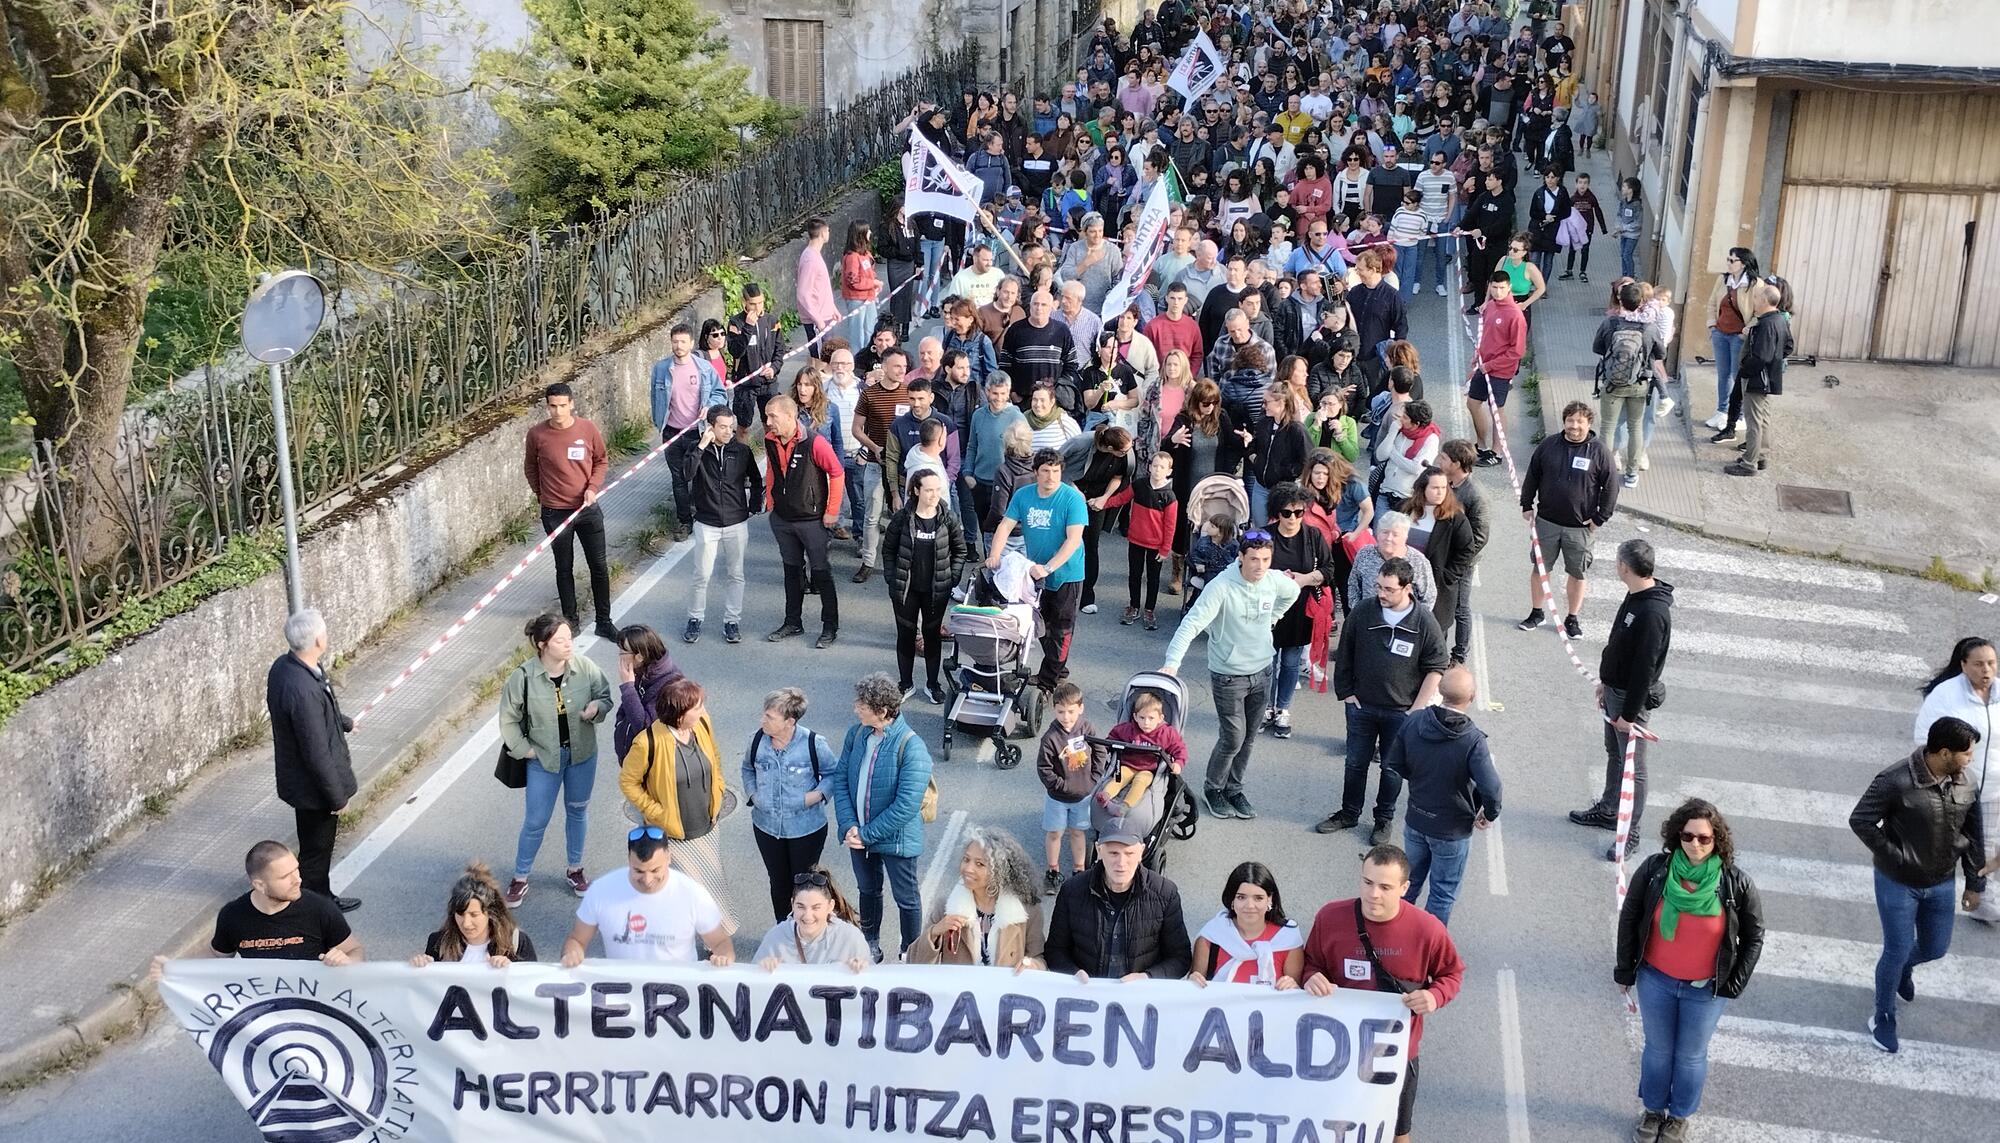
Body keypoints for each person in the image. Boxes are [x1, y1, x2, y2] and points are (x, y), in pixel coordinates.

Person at [1616, 799, 1765, 1143]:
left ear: (1717, 841)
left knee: (1689, 1056)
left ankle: (1679, 1117)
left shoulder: (1734, 883)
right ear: (1676, 836)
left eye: (1704, 838)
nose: (1695, 844)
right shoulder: (1656, 870)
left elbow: (1754, 935)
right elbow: (1631, 917)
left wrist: (1734, 983)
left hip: (1705, 990)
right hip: (1657, 980)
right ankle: (1653, 1111)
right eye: (1687, 836)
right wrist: (1624, 970)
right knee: (1657, 1049)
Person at [1302, 846, 1464, 1143]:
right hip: (1337, 1051)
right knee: (1332, 1124)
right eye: (1367, 882)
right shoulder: (1330, 917)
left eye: (1385, 887)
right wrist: (1312, 978)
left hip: (1397, 1054)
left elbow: (1452, 974)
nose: (1373, 894)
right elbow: (1310, 962)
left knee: (1396, 1133)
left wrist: (1434, 996)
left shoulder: (1428, 930)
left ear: (1405, 888)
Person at [1851, 716, 1988, 1053]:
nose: (1971, 759)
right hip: (1897, 882)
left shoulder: (1967, 782)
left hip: (1941, 882)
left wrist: (1974, 884)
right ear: (1944, 752)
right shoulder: (1894, 780)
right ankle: (1883, 1014)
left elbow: (1974, 834)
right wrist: (1896, 856)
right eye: (1966, 753)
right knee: (1895, 949)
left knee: (1935, 947)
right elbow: (1861, 820)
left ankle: (1904, 969)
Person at [1161, 530, 1301, 820]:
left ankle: (1234, 789)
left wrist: (1273, 618)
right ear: (1240, 557)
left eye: (1265, 559)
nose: (1260, 566)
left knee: (1249, 737)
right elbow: (1191, 624)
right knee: (1233, 737)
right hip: (1229, 675)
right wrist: (1172, 663)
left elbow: (1293, 592)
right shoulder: (1221, 586)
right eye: (1253, 559)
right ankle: (1214, 789)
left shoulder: (1273, 580)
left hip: (1263, 671)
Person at [1324, 558, 1450, 844]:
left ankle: (1383, 819)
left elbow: (1437, 667)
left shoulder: (1424, 622)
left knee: (1391, 769)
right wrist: (1347, 693)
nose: (1381, 593)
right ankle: (1348, 813)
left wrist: (1415, 710)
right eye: (1378, 586)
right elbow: (1345, 653)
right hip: (1362, 708)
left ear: (1407, 588)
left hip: (1400, 713)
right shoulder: (1364, 612)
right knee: (1355, 763)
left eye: (1389, 589)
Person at [1571, 539, 1676, 859]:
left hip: (1630, 700)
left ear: (1625, 567)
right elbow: (1620, 645)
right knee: (1614, 754)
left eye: (1618, 561)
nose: (1616, 565)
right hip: (1615, 692)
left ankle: (1630, 835)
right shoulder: (1635, 595)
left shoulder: (1652, 611)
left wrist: (1629, 716)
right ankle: (1609, 810)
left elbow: (1645, 668)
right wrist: (1605, 682)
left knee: (1634, 768)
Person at [501, 613, 612, 907]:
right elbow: (509, 720)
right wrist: (524, 749)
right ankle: (520, 876)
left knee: (577, 811)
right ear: (542, 645)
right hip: (543, 760)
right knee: (536, 820)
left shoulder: (585, 667)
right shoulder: (522, 677)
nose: (568, 645)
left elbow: (605, 696)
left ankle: (575, 869)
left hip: (582, 755)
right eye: (560, 640)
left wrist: (596, 708)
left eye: (569, 639)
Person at [829, 673, 934, 961]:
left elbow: (905, 806)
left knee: (907, 899)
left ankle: (910, 953)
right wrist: (849, 825)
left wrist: (865, 834)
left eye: (861, 705)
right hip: (859, 835)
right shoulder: (856, 734)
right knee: (868, 891)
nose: (855, 708)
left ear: (883, 711)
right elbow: (842, 779)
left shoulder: (913, 748)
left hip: (895, 840)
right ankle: (870, 945)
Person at [1385, 667, 1500, 926]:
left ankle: (1394, 936)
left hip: (1416, 819)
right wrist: (1488, 813)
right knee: (1442, 894)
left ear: (1439, 691)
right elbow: (1491, 788)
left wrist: (1419, 781)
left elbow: (1395, 762)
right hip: (1452, 829)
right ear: (1472, 697)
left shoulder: (1414, 721)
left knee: (1407, 886)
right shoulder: (1472, 740)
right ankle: (1428, 948)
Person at [620, 676, 735, 930]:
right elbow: (628, 782)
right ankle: (672, 939)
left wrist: (718, 787)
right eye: (697, 707)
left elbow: (714, 756)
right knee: (683, 892)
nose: (703, 710)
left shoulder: (702, 723)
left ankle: (713, 939)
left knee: (712, 886)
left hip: (707, 825)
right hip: (673, 833)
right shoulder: (647, 742)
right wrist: (656, 812)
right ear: (681, 714)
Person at [267, 608, 360, 912]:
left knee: (313, 847)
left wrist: (344, 722)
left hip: (300, 781)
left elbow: (318, 709)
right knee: (317, 850)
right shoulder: (302, 688)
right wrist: (337, 797)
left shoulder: (287, 667)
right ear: (318, 640)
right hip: (312, 788)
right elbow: (316, 751)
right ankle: (316, 905)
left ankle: (317, 896)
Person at [155, 841, 361, 977]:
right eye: (284, 877)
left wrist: (346, 962)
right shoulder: (233, 915)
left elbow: (355, 950)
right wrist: (174, 968)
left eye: (296, 870)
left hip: (314, 1007)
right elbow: (217, 954)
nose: (297, 880)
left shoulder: (320, 908)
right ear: (260, 885)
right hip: (265, 1015)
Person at [987, 447, 1089, 695]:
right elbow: (1005, 526)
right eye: (1045, 471)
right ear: (1036, 472)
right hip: (1034, 574)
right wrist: (994, 555)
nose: (1051, 477)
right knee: (1039, 626)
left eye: (1056, 471)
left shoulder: (1072, 499)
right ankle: (1058, 667)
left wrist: (1050, 567)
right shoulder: (1023, 496)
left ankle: (1047, 682)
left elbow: (1073, 539)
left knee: (1062, 630)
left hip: (1067, 574)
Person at [1517, 401, 1618, 638]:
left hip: (1580, 527)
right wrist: (1526, 504)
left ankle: (1572, 618)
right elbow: (1533, 474)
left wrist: (1599, 518)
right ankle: (1537, 613)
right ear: (1564, 422)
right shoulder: (1549, 445)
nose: (1574, 426)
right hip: (1547, 522)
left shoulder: (1599, 451)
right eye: (1570, 420)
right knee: (1540, 569)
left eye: (1579, 421)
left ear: (1588, 423)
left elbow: (1611, 488)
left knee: (1577, 573)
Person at [1915, 637, 1999, 922]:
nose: (1986, 670)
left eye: (1991, 663)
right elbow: (1924, 739)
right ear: (1963, 666)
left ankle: (1981, 898)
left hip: (1994, 788)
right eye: (1978, 664)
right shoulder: (1946, 696)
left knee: (1987, 844)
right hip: (1957, 789)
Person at [1042, 821, 1193, 980]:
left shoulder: (1165, 894)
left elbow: (1180, 958)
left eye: (1129, 854)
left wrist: (1147, 977)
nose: (1121, 863)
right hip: (1087, 994)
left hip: (1139, 998)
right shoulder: (1072, 891)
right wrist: (1073, 973)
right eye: (1114, 853)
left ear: (1141, 852)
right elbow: (1055, 951)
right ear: (1099, 851)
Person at [560, 828, 733, 965]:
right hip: (624, 995)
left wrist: (723, 958)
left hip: (677, 995)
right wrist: (572, 953)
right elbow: (576, 939)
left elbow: (720, 943)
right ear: (629, 859)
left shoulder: (693, 894)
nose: (648, 879)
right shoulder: (601, 891)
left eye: (655, 870)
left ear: (669, 858)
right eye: (639, 871)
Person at [523, 382, 614, 639]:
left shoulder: (587, 428)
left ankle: (604, 620)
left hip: (587, 508)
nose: (558, 412)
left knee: (599, 565)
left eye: (563, 406)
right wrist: (542, 495)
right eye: (553, 406)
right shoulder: (537, 435)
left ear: (572, 404)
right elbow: (530, 467)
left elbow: (601, 460)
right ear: (547, 406)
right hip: (555, 512)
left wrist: (592, 487)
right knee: (564, 568)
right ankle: (570, 621)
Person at [742, 687, 836, 922]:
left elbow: (834, 774)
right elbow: (747, 769)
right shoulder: (757, 740)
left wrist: (810, 798)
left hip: (806, 830)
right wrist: (754, 795)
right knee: (778, 883)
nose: (762, 719)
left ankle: (807, 930)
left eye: (769, 717)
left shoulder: (813, 743)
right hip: (767, 828)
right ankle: (783, 931)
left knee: (804, 886)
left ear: (789, 721)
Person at [762, 394, 846, 649]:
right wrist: (770, 501)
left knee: (821, 573)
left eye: (772, 416)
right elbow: (771, 469)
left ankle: (829, 627)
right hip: (783, 519)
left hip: (813, 521)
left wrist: (832, 512)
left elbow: (837, 472)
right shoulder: (770, 440)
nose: (767, 422)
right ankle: (793, 622)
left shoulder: (815, 442)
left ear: (790, 416)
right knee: (791, 572)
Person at [884, 469, 971, 703]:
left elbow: (960, 551)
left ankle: (933, 685)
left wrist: (952, 578)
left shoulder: (948, 518)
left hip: (936, 591)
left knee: (932, 636)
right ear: (916, 490)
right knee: (906, 635)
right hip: (906, 590)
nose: (934, 495)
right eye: (929, 490)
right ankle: (906, 684)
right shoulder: (902, 518)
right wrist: (892, 578)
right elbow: (889, 549)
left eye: (937, 489)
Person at [908, 827, 1048, 970]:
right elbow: (914, 961)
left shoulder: (1028, 911)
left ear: (1000, 872)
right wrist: (935, 931)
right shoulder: (946, 906)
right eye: (966, 859)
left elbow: (1039, 958)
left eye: (979, 864)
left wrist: (1032, 965)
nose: (968, 868)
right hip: (960, 991)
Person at [679, 404, 759, 644]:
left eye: (731, 427)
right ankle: (695, 618)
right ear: (709, 428)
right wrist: (702, 446)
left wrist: (754, 506)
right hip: (707, 522)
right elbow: (686, 474)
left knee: (736, 574)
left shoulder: (742, 451)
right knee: (701, 574)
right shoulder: (696, 449)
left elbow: (755, 479)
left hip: (736, 522)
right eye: (722, 427)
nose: (728, 432)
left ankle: (732, 621)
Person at [1262, 481, 1334, 741]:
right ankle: (1265, 709)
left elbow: (1328, 570)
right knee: (1267, 662)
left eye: (1299, 512)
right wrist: (1275, 577)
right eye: (1286, 512)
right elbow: (1245, 567)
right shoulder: (1263, 535)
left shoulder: (1313, 537)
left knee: (1291, 662)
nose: (1293, 518)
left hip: (1298, 610)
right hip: (1268, 609)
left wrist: (1304, 579)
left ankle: (1283, 708)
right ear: (1276, 512)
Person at [651, 324, 727, 541]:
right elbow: (655, 397)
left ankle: (704, 513)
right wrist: (660, 424)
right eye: (675, 341)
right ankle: (685, 521)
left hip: (697, 432)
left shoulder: (703, 368)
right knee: (679, 478)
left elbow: (720, 393)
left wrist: (709, 406)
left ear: (692, 343)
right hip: (672, 433)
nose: (678, 346)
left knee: (701, 475)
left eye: (683, 341)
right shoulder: (661, 368)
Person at [1035, 683, 1111, 894]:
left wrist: (1094, 778)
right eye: (1061, 712)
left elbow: (1100, 751)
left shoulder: (1087, 729)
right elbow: (1044, 769)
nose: (1066, 717)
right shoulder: (1050, 738)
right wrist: (1062, 786)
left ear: (1080, 708)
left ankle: (1079, 870)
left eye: (1071, 711)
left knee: (1078, 833)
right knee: (1054, 833)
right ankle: (1053, 871)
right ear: (1054, 710)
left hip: (1083, 796)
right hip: (1058, 798)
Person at [1594, 281, 1668, 489]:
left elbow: (1597, 347)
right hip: (1639, 383)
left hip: (1612, 383)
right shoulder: (1649, 327)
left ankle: (1602, 474)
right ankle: (1631, 474)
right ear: (1642, 302)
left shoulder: (1611, 323)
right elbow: (1661, 354)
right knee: (1636, 427)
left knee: (1607, 427)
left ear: (1621, 300)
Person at [1187, 862, 1304, 987]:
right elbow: (1195, 990)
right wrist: (1192, 982)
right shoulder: (1211, 936)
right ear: (1232, 899)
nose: (1249, 906)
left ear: (1270, 899)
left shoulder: (1288, 938)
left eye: (1258, 898)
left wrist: (1294, 987)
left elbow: (1296, 993)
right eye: (1241, 897)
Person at [1723, 282, 1793, 478]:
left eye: (1756, 298)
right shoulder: (1779, 320)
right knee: (1763, 419)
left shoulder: (1765, 324)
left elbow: (1761, 356)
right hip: (1769, 378)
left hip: (1757, 379)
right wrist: (1775, 362)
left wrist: (1745, 369)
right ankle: (1760, 455)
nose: (1753, 301)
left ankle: (1749, 464)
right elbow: (1788, 346)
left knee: (1754, 422)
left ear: (1763, 301)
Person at [410, 862, 537, 966]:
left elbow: (531, 986)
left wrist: (512, 970)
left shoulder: (516, 942)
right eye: (460, 914)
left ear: (491, 912)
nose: (466, 923)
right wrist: (420, 967)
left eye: (474, 914)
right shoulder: (438, 943)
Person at [1401, 467, 1476, 642]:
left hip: (1437, 588)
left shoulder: (1455, 518)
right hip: (1405, 584)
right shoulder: (1405, 510)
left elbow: (1466, 549)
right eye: (1435, 488)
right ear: (1422, 489)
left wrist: (1447, 575)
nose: (1440, 492)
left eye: (1444, 487)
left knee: (1433, 637)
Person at [753, 866, 872, 970]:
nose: (808, 915)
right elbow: (752, 983)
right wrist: (762, 969)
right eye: (801, 907)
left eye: (816, 908)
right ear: (792, 905)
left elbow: (874, 981)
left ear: (830, 906)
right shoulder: (776, 938)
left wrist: (862, 969)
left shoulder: (850, 938)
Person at [1437, 442, 1492, 666]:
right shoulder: (1447, 483)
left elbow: (1480, 536)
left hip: (1462, 563)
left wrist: (1459, 563)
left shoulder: (1475, 494)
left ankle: (1459, 656)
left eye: (1443, 458)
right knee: (1441, 604)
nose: (1438, 461)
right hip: (1443, 555)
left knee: (1459, 608)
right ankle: (1439, 649)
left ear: (1456, 464)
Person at [1467, 272, 1527, 467]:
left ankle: (1497, 452)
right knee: (1473, 402)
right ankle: (1482, 445)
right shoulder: (1490, 307)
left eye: (1502, 288)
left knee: (1496, 409)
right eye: (1494, 287)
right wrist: (1477, 356)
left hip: (1501, 370)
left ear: (1509, 288)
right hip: (1485, 365)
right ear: (1489, 287)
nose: (1498, 292)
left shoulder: (1515, 314)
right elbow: (1487, 336)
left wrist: (1490, 365)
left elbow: (1517, 351)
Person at [1099, 692, 1188, 811]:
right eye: (1142, 718)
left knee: (1140, 782)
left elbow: (1179, 748)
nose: (1146, 723)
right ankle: (1105, 795)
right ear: (1135, 717)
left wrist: (1178, 763)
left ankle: (1125, 806)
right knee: (1119, 777)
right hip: (1128, 764)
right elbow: (1112, 737)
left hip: (1149, 769)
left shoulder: (1166, 733)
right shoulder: (1128, 729)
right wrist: (1108, 747)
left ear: (1160, 718)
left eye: (1151, 718)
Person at [1702, 248, 1758, 431]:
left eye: (1732, 260)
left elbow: (1760, 312)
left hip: (1737, 337)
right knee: (1722, 374)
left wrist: (1747, 329)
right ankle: (1721, 410)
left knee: (1737, 375)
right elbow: (1711, 303)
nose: (1728, 263)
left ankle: (1738, 414)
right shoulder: (1723, 279)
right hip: (1720, 333)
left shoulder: (1754, 284)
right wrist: (1712, 325)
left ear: (1743, 263)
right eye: (1728, 259)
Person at [1122, 450, 1177, 628]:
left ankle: (1150, 609)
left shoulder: (1169, 497)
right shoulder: (1139, 485)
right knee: (1134, 575)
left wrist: (1165, 549)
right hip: (1136, 539)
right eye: (1155, 466)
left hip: (1156, 545)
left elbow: (1170, 526)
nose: (1157, 470)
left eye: (1162, 467)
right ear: (1149, 467)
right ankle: (1134, 605)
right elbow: (1122, 498)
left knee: (1153, 578)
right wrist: (1102, 502)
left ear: (1169, 471)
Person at [613, 623, 684, 760]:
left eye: (622, 652)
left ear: (640, 656)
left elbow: (644, 727)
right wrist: (620, 723)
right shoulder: (642, 670)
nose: (619, 657)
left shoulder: (670, 687)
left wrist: (627, 687)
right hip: (635, 756)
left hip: (652, 763)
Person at [1345, 511, 1437, 613]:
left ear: (1405, 537)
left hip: (1404, 622)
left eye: (1395, 534)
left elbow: (1429, 597)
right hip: (1368, 619)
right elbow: (1353, 585)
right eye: (1385, 532)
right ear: (1377, 534)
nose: (1388, 538)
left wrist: (1415, 621)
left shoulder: (1418, 561)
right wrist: (1358, 613)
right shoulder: (1365, 554)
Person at [726, 282, 786, 433]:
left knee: (771, 426)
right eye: (753, 304)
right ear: (744, 303)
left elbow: (780, 350)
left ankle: (770, 456)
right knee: (744, 427)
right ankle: (744, 455)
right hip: (746, 385)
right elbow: (735, 351)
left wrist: (774, 368)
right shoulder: (736, 323)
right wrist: (748, 327)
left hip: (768, 384)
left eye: (760, 303)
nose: (758, 308)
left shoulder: (772, 321)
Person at [795, 218, 840, 350]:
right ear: (823, 233)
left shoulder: (813, 255)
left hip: (824, 315)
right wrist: (818, 319)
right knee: (821, 359)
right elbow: (803, 293)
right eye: (828, 230)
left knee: (828, 356)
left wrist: (832, 308)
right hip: (818, 319)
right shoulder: (810, 259)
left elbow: (822, 288)